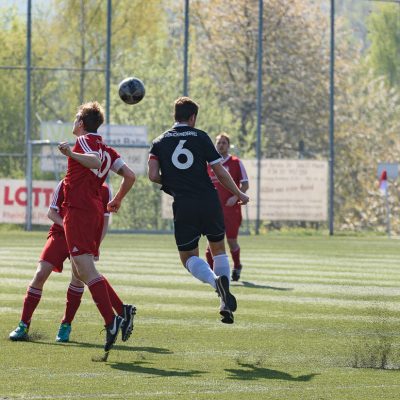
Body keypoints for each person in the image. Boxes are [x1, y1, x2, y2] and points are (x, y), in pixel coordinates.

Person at [148, 97, 249, 324]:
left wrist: (172, 183)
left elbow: (153, 175)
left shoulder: (159, 142)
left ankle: (216, 283)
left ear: (175, 116)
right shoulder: (201, 136)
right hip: (209, 200)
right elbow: (220, 171)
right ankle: (225, 302)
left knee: (188, 258)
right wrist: (239, 193)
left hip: (184, 204)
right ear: (192, 117)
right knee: (218, 249)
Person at [9, 180, 136, 344]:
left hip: (84, 238)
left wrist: (97, 245)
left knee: (80, 277)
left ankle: (66, 325)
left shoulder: (104, 190)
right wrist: (69, 226)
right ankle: (23, 325)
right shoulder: (66, 183)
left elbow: (104, 222)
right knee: (40, 274)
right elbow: (51, 213)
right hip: (60, 235)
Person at [57, 101, 135, 353]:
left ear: (80, 122)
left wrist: (70, 154)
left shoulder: (83, 142)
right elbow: (130, 175)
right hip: (90, 211)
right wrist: (117, 199)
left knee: (84, 269)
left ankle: (112, 321)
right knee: (81, 270)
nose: (74, 121)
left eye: (75, 117)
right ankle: (121, 310)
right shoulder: (108, 149)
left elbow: (91, 161)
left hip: (79, 211)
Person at [206, 133, 249, 281]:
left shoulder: (236, 162)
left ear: (228, 145)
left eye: (224, 143)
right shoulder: (209, 164)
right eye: (218, 143)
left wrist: (236, 196)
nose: (221, 145)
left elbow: (245, 184)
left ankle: (237, 266)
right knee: (210, 245)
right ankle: (213, 276)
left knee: (231, 241)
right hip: (213, 209)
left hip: (231, 209)